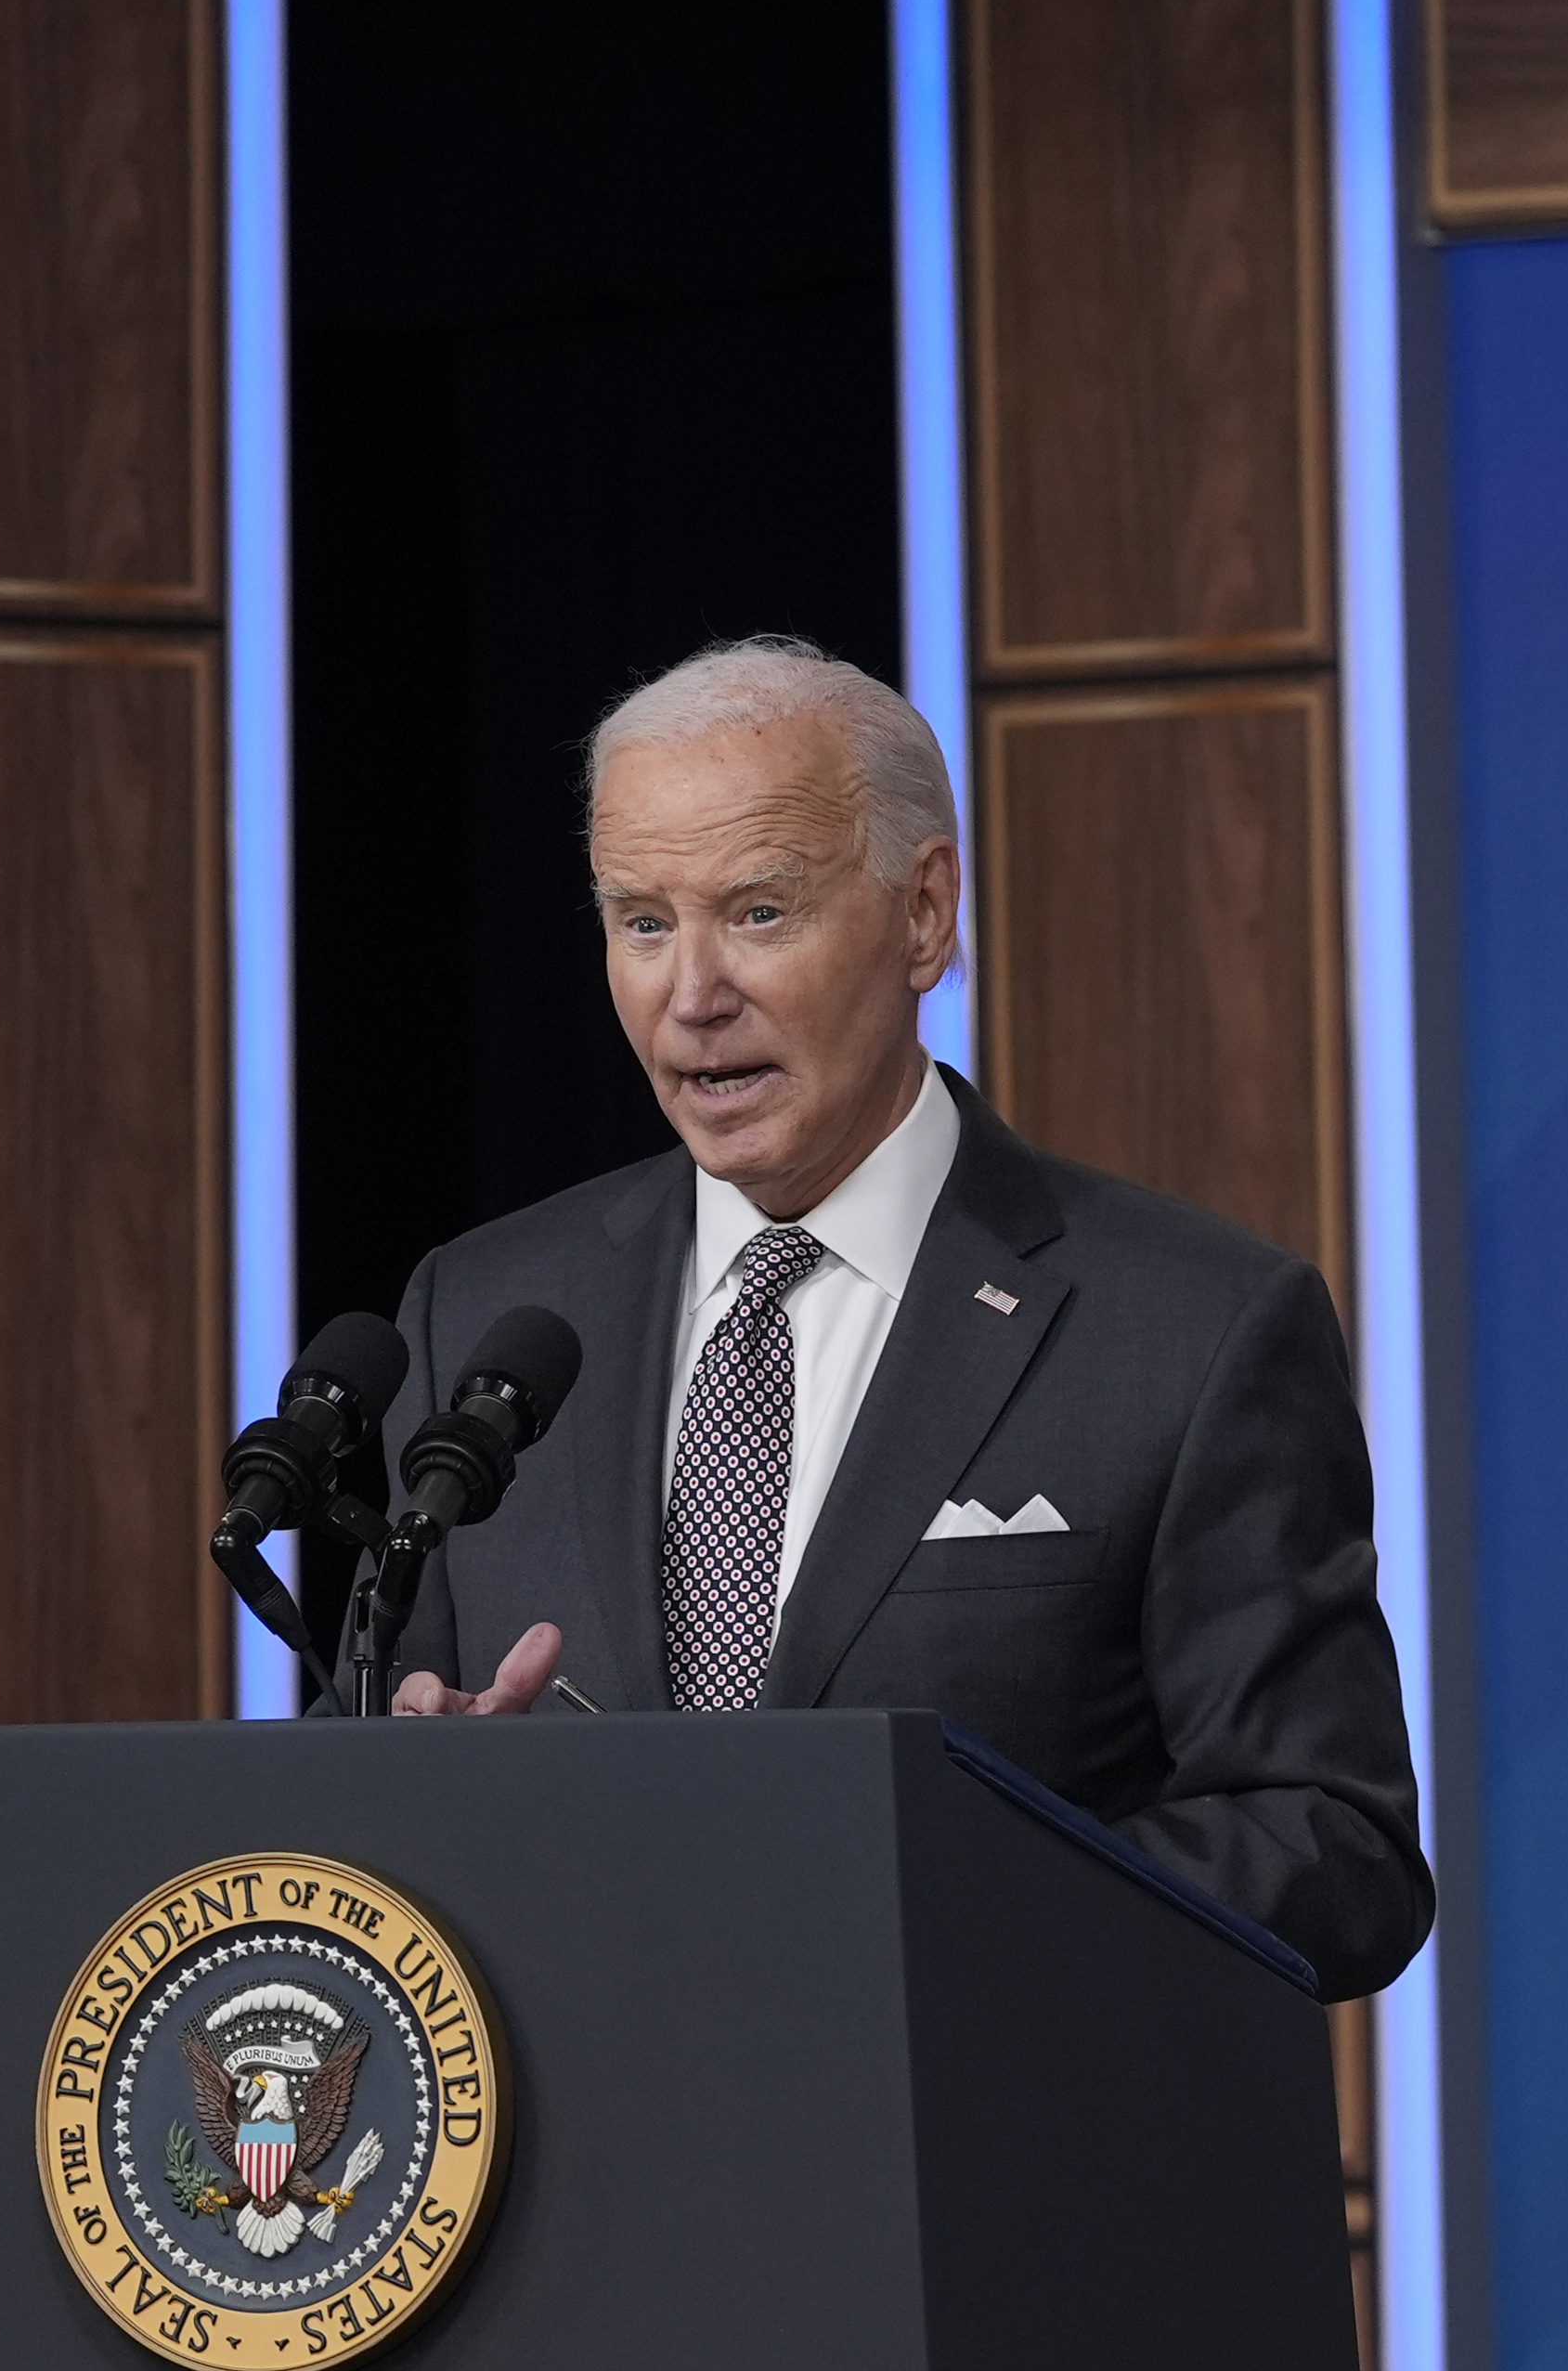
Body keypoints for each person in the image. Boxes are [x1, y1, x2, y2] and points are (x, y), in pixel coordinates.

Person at [371, 634, 1432, 2002]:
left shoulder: (1191, 1328)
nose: (690, 996)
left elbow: (1332, 1847)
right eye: (642, 922)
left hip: (978, 2173)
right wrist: (434, 1805)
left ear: (923, 915)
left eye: (757, 913)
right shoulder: (485, 1314)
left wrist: (924, 1909)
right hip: (595, 2181)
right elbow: (375, 1786)